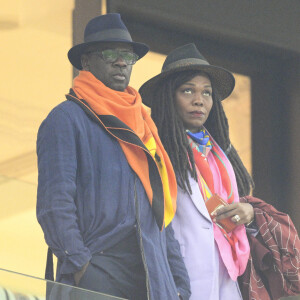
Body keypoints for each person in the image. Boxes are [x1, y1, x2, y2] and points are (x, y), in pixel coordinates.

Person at [36, 14, 191, 300]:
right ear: (86, 61)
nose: (121, 62)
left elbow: (160, 210)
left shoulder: (145, 126)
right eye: (110, 54)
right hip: (99, 267)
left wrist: (179, 283)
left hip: (153, 275)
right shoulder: (66, 119)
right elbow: (54, 204)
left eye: (127, 55)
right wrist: (81, 266)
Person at [139, 43, 300, 300]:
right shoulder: (155, 150)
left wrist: (248, 213)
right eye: (187, 90)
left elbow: (228, 211)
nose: (198, 100)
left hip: (227, 275)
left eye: (207, 93)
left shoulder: (220, 155)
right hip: (178, 277)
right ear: (168, 97)